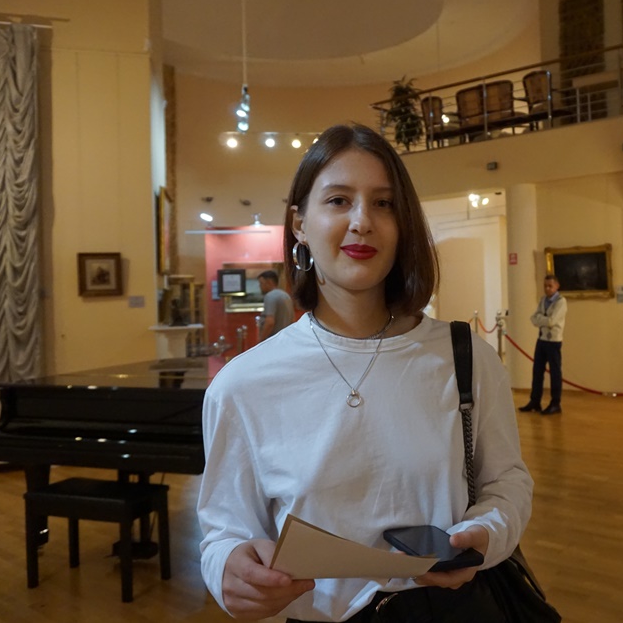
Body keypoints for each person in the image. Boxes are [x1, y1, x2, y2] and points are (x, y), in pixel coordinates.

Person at [197, 123, 533, 622]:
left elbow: (507, 483)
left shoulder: (466, 358)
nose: (362, 222)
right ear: (299, 223)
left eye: (384, 204)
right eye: (338, 200)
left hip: (449, 611)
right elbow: (224, 531)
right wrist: (228, 570)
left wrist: (484, 536)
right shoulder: (243, 384)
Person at [519, 274, 567, 415]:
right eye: (545, 286)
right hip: (541, 340)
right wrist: (543, 319)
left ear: (557, 286)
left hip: (553, 341)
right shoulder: (543, 300)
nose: (547, 289)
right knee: (537, 371)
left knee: (555, 372)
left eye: (550, 286)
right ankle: (535, 401)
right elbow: (533, 318)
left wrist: (541, 319)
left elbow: (552, 321)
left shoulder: (561, 302)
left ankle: (555, 403)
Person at [257, 269, 294, 341]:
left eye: (261, 283)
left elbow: (270, 322)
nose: (260, 286)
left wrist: (261, 340)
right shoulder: (286, 296)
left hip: (274, 339)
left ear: (269, 282)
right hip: (286, 338)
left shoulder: (270, 296)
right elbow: (292, 319)